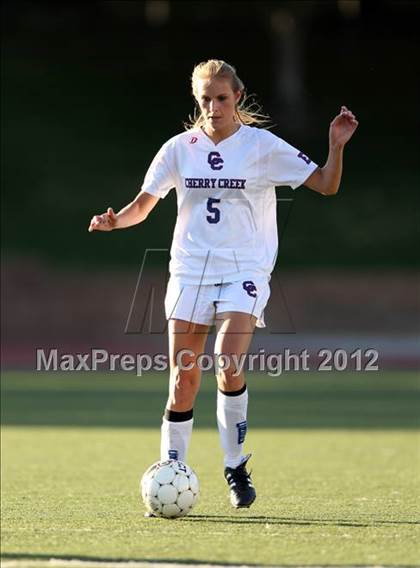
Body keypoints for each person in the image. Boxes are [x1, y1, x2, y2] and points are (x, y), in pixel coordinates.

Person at [88, 59, 358, 510]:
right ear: (197, 101)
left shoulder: (261, 146)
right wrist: (117, 222)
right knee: (183, 379)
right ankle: (171, 468)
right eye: (205, 99)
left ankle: (235, 466)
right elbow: (143, 204)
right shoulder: (179, 148)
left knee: (227, 361)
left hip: (244, 270)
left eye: (221, 98)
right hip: (190, 271)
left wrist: (336, 145)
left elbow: (327, 185)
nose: (213, 107)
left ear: (237, 98)